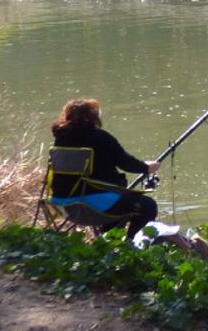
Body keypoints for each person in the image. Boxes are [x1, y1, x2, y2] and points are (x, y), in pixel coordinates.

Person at [50, 98, 160, 238]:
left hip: (64, 204)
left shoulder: (60, 139)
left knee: (118, 202)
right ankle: (130, 245)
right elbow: (125, 162)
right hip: (93, 204)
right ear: (93, 117)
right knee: (148, 206)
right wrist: (147, 167)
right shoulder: (100, 137)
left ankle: (109, 239)